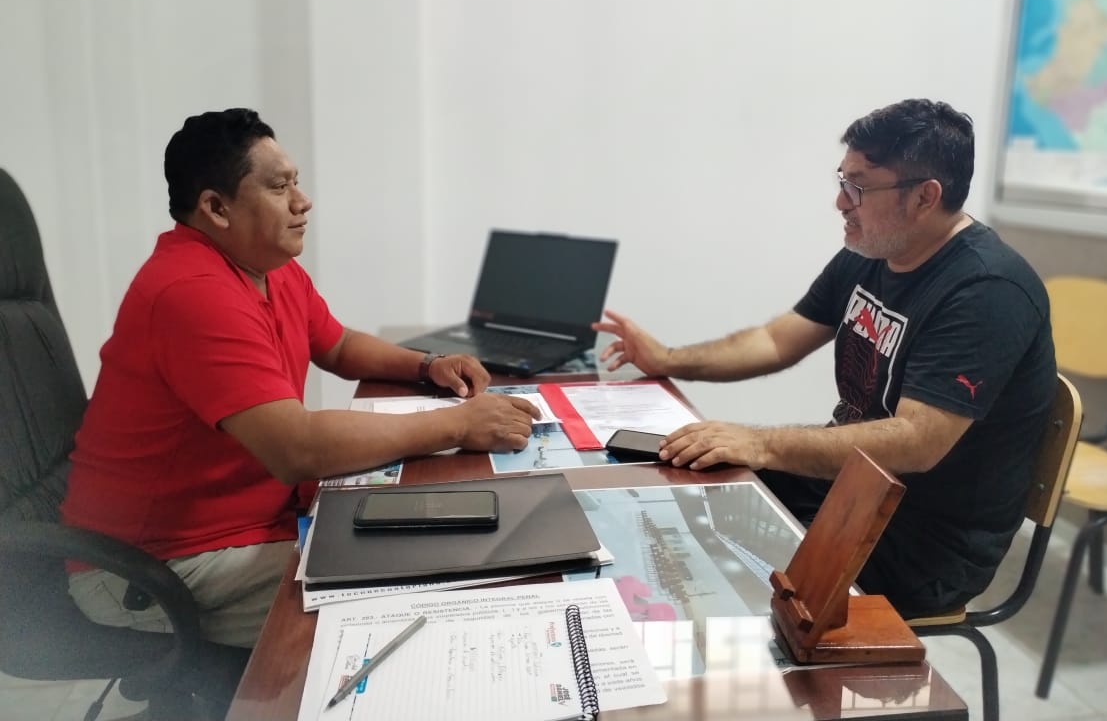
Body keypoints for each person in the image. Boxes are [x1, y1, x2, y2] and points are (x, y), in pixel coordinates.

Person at [61, 108, 540, 653]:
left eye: (297, 182)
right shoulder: (191, 292)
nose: (302, 200)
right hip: (155, 564)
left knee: (432, 541)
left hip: (249, 522)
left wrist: (426, 365)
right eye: (279, 186)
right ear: (216, 207)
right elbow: (298, 448)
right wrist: (457, 424)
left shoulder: (267, 267)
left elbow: (337, 344)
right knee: (411, 595)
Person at [595, 98, 1056, 618]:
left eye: (858, 187)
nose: (840, 202)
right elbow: (776, 340)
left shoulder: (987, 290)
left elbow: (918, 440)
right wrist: (667, 358)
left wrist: (760, 442)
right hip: (846, 492)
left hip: (921, 545)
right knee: (675, 495)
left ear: (925, 197)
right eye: (842, 180)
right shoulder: (874, 251)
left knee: (698, 579)